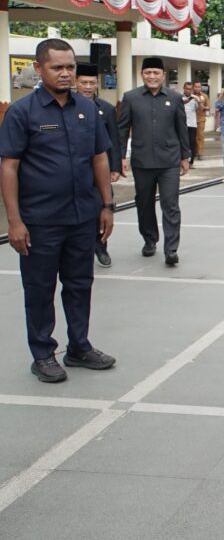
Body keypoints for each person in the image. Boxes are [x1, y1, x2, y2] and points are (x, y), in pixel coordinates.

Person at [0, 39, 116, 382]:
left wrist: (106, 205)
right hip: (40, 220)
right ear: (38, 69)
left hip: (82, 216)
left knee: (80, 284)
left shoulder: (87, 109)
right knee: (39, 289)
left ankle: (79, 346)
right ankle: (43, 353)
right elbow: (8, 167)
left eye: (70, 67)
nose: (66, 74)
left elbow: (99, 157)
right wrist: (15, 221)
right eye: (57, 68)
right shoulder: (22, 113)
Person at [117, 56, 190, 265]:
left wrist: (185, 156)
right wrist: (121, 157)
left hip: (170, 161)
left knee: (171, 204)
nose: (152, 76)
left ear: (163, 75)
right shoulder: (130, 98)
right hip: (142, 162)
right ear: (142, 75)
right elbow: (122, 129)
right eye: (147, 72)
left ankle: (171, 249)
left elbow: (181, 128)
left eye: (156, 73)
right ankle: (150, 240)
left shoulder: (175, 98)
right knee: (144, 203)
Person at [75, 63, 121, 268]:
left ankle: (101, 246)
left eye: (91, 83)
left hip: (100, 170)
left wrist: (115, 167)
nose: (87, 86)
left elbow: (114, 140)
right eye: (83, 82)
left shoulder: (107, 109)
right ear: (76, 83)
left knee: (103, 205)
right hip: (76, 169)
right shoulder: (67, 106)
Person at [181, 82, 199, 168]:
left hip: (192, 124)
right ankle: (181, 161)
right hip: (182, 123)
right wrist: (187, 100)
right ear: (183, 88)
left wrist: (198, 102)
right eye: (187, 89)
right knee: (182, 142)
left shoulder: (195, 98)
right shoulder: (178, 97)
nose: (188, 90)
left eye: (190, 89)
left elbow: (200, 108)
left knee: (192, 143)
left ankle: (191, 162)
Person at [193, 83, 210, 160]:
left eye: (198, 87)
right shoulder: (190, 96)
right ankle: (194, 152)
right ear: (193, 87)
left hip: (201, 119)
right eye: (196, 87)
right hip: (190, 120)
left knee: (200, 136)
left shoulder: (204, 96)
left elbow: (208, 107)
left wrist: (203, 107)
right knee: (192, 137)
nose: (197, 88)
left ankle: (200, 153)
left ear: (201, 88)